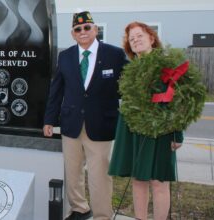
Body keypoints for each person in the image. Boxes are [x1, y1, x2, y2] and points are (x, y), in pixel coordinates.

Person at [43, 11, 128, 220]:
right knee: (73, 172)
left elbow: (129, 86)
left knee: (99, 175)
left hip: (100, 124)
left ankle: (102, 215)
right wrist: (49, 120)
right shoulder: (65, 56)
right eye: (77, 29)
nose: (83, 32)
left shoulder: (114, 55)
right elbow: (57, 91)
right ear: (73, 34)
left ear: (95, 30)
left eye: (87, 27)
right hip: (70, 123)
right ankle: (80, 208)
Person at [108, 22, 183, 220]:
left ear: (151, 38)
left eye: (139, 36)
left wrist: (178, 134)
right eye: (131, 39)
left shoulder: (166, 66)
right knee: (138, 180)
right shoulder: (130, 69)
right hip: (132, 131)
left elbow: (179, 101)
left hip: (161, 131)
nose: (135, 40)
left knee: (159, 182)